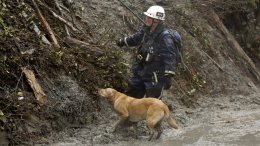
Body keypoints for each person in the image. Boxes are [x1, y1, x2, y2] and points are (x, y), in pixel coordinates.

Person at [116, 5, 176, 99]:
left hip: (155, 75)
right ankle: (132, 113)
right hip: (141, 69)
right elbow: (136, 38)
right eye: (147, 17)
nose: (146, 19)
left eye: (149, 17)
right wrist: (123, 41)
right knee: (131, 95)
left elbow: (170, 56)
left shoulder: (165, 37)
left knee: (152, 102)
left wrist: (168, 75)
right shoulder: (146, 30)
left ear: (156, 20)